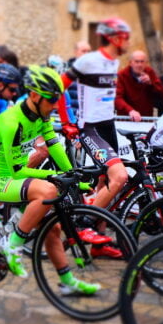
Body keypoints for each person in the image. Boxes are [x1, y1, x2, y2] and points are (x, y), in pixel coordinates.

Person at [0, 65, 103, 294]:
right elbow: (18, 171)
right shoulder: (12, 122)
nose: (55, 105)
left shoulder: (40, 114)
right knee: (48, 191)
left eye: (58, 99)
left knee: (53, 230)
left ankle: (68, 283)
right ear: (35, 95)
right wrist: (54, 175)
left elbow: (53, 144)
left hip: (14, 178)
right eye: (51, 99)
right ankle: (13, 246)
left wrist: (73, 174)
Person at [59, 17, 130, 241]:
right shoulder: (89, 60)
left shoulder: (115, 62)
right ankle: (82, 225)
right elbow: (59, 87)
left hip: (108, 125)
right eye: (126, 38)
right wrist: (66, 122)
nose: (128, 43)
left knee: (106, 185)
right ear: (114, 38)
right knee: (120, 176)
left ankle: (100, 242)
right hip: (91, 128)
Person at [115, 50, 163, 121]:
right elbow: (117, 98)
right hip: (127, 117)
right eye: (136, 61)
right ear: (130, 63)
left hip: (145, 118)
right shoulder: (122, 75)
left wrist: (151, 83)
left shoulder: (149, 72)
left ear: (146, 63)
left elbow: (162, 93)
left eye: (142, 62)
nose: (139, 65)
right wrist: (130, 110)